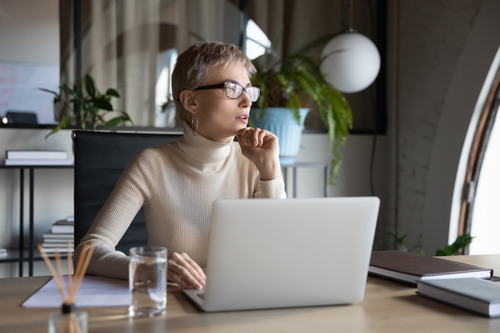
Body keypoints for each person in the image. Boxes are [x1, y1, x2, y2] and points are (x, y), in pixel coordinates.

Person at [74, 41, 287, 290]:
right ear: (191, 101)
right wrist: (149, 269)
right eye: (232, 88)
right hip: (175, 306)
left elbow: (281, 253)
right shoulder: (152, 164)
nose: (246, 102)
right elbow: (87, 252)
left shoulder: (254, 162)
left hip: (244, 299)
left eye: (248, 90)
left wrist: (270, 171)